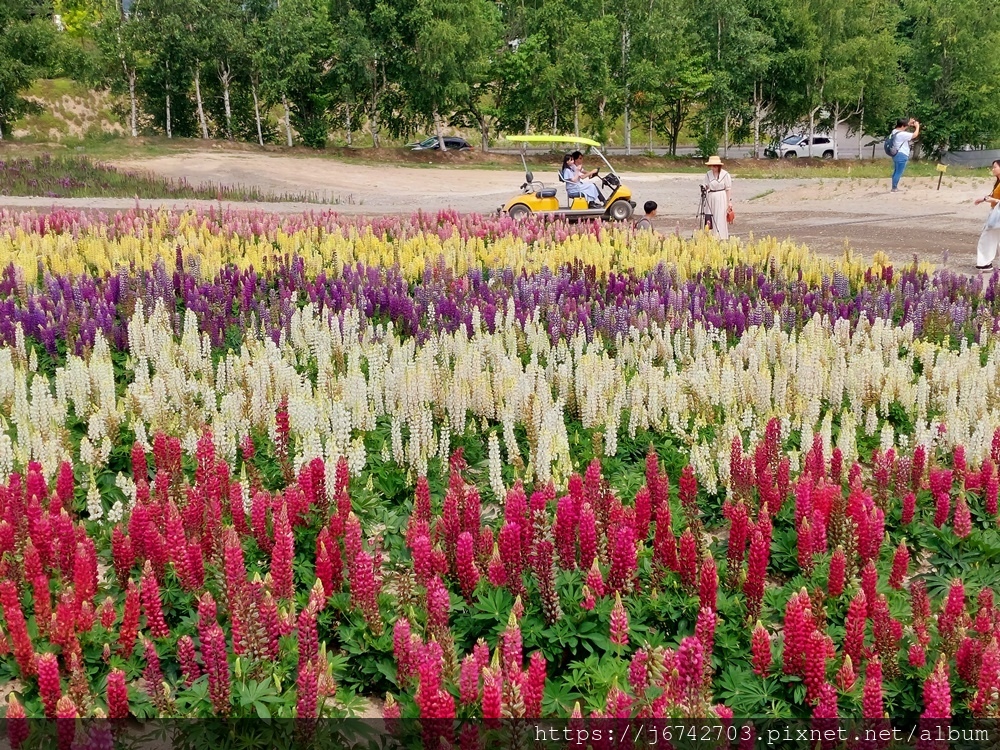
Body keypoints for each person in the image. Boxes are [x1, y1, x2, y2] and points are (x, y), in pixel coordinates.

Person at [975, 159, 1000, 270]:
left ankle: (984, 263)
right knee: (992, 237)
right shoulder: (997, 182)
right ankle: (984, 262)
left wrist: (990, 200)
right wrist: (985, 199)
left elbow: (996, 199)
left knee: (987, 236)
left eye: (995, 167)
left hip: (997, 213)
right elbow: (993, 197)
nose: (993, 169)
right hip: (995, 212)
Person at [703, 155, 733, 240]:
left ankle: (721, 236)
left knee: (720, 216)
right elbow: (705, 185)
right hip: (711, 196)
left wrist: (729, 202)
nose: (713, 168)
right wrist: (704, 188)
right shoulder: (708, 174)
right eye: (711, 166)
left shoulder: (725, 174)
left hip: (721, 196)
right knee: (710, 217)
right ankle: (710, 236)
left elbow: (728, 189)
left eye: (715, 166)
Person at [889, 117, 920, 192]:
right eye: (906, 125)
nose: (907, 126)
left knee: (896, 171)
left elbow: (902, 128)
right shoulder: (902, 134)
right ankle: (894, 188)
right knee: (898, 172)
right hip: (902, 154)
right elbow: (915, 135)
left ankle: (894, 186)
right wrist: (917, 126)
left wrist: (908, 123)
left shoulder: (894, 131)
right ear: (903, 126)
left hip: (896, 154)